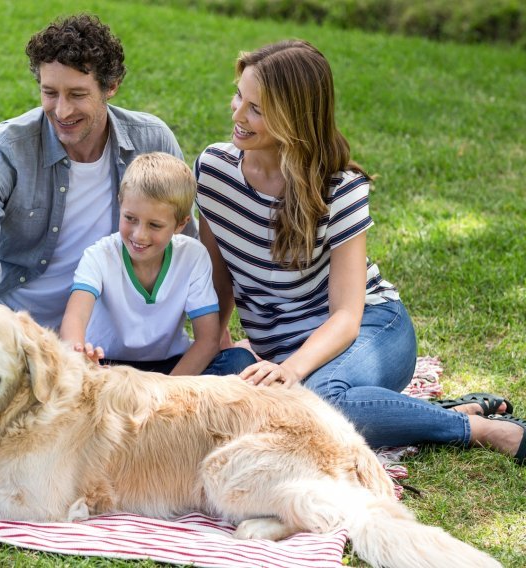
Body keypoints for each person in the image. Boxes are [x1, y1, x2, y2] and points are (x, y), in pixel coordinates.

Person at [194, 40, 525, 464]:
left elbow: (347, 316)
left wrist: (292, 370)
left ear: (295, 117)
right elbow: (219, 284)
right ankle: (422, 414)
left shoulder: (340, 189)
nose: (238, 114)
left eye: (257, 108)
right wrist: (221, 352)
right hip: (289, 351)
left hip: (371, 329)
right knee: (228, 394)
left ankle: (481, 429)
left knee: (319, 405)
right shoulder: (215, 170)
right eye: (240, 94)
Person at [0, 14, 195, 330]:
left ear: (111, 87)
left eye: (77, 94)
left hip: (90, 332)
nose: (62, 111)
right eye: (50, 92)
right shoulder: (3, 150)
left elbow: (183, 246)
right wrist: (3, 335)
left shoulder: (151, 140)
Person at [59, 152, 255, 376]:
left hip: (171, 370)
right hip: (109, 369)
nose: (139, 235)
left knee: (239, 361)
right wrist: (79, 356)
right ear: (120, 204)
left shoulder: (192, 256)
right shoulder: (99, 256)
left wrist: (163, 395)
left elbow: (208, 341)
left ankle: (160, 410)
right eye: (130, 218)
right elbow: (74, 318)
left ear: (180, 224)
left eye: (154, 225)